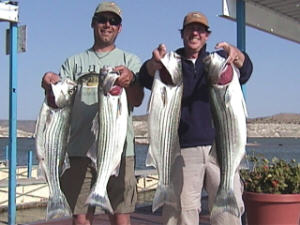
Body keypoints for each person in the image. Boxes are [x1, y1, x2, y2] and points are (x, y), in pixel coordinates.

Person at [138, 12, 253, 225]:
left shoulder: (216, 60)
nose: (195, 33)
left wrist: (237, 55)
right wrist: (155, 64)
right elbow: (144, 77)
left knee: (228, 214)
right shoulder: (171, 62)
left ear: (207, 36)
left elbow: (246, 70)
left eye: (200, 30)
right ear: (182, 34)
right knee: (182, 213)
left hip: (221, 149)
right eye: (190, 29)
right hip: (184, 151)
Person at [41, 2, 144, 225]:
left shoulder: (131, 61)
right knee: (80, 217)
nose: (107, 25)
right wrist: (49, 83)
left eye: (113, 21)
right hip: (78, 149)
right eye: (102, 19)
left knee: (120, 215)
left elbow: (137, 100)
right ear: (93, 23)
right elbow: (58, 100)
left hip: (119, 150)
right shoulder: (74, 62)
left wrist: (132, 80)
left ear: (120, 28)